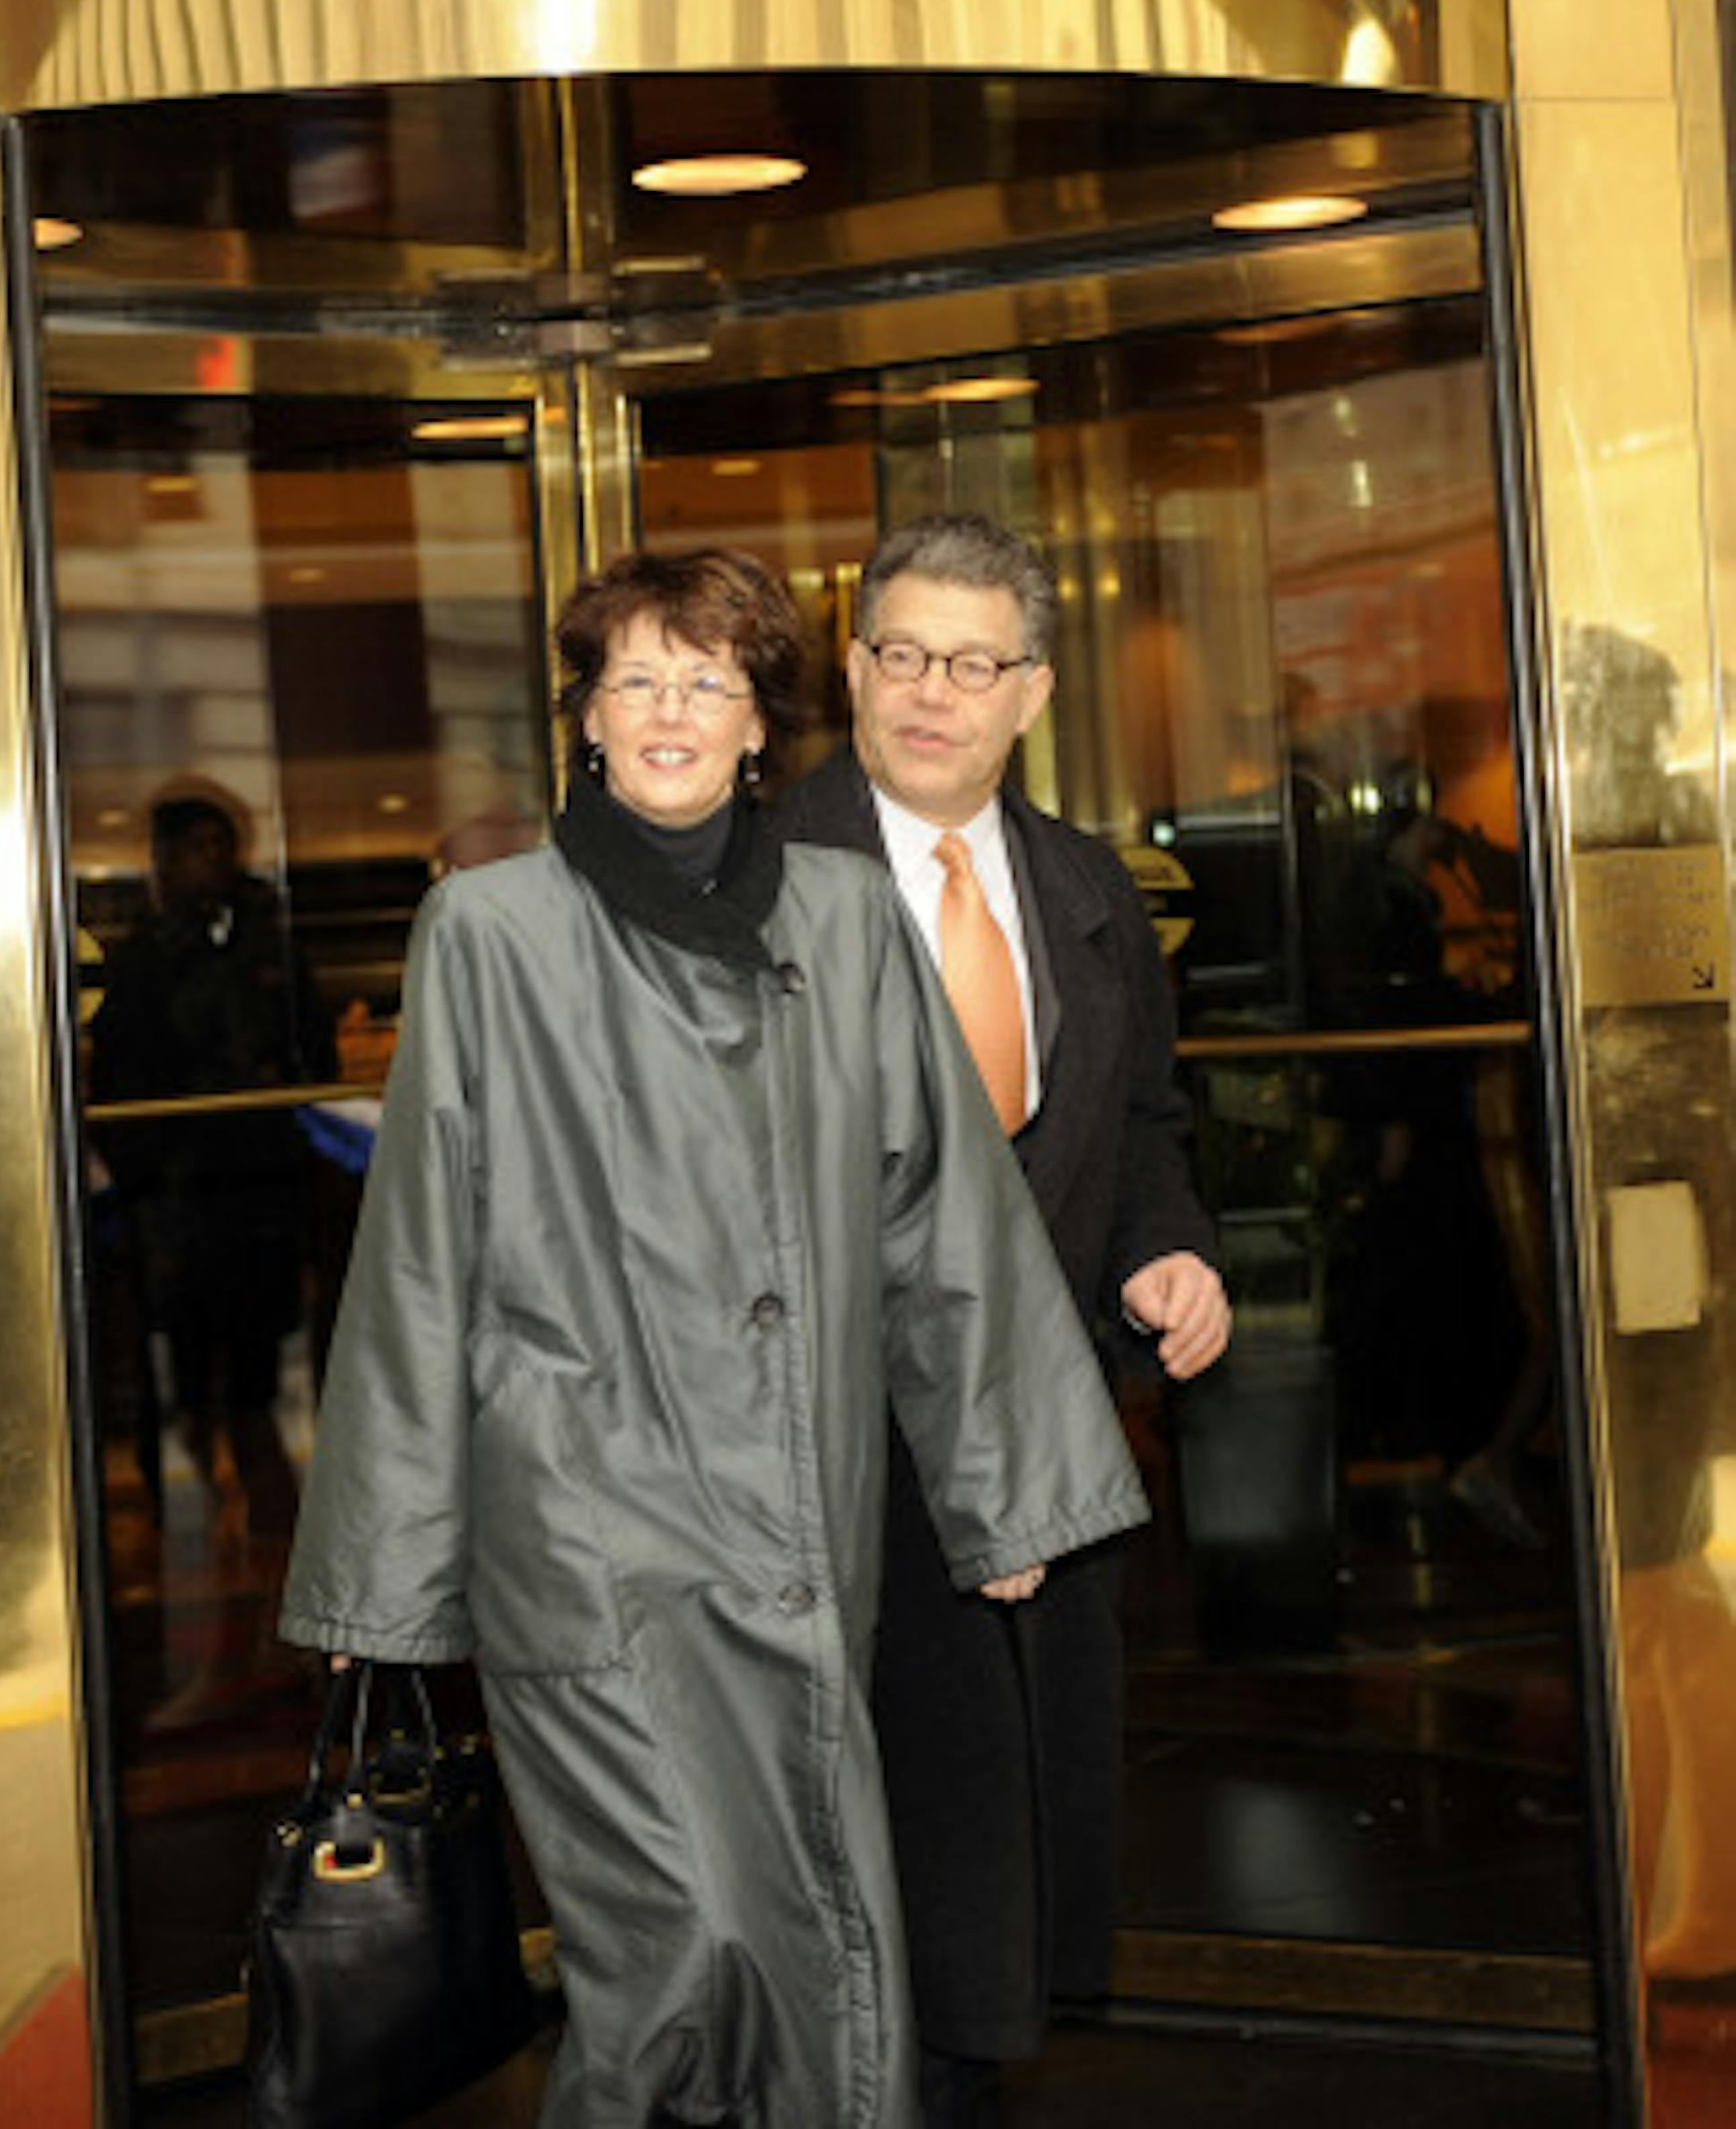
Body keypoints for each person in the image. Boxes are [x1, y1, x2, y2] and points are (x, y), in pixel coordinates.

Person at [278, 548, 1148, 2129]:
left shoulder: (845, 915)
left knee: (823, 1929)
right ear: (586, 722)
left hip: (807, 1530)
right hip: (584, 1534)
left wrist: (1004, 1487)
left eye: (708, 683)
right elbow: (421, 1254)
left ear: (760, 728)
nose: (669, 713)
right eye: (634, 682)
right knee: (678, 1944)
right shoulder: (489, 931)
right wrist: (384, 1578)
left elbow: (937, 1207)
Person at [776, 511, 1231, 2128]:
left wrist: (1167, 1255)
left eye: (971, 664)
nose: (930, 693)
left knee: (994, 1859)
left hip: (1034, 1442)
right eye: (900, 654)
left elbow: (1146, 1131)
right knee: (859, 1857)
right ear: (851, 668)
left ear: (1031, 691)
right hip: (833, 1467)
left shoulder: (1085, 885)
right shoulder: (760, 882)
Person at [91, 788, 338, 1687]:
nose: (213, 865)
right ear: (162, 862)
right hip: (184, 1208)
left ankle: (271, 1565)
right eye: (197, 850)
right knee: (187, 1394)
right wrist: (152, 1183)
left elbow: (311, 1053)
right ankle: (188, 1561)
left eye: (221, 848)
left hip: (259, 1200)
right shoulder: (148, 959)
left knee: (259, 1390)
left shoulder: (267, 942)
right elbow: (123, 1086)